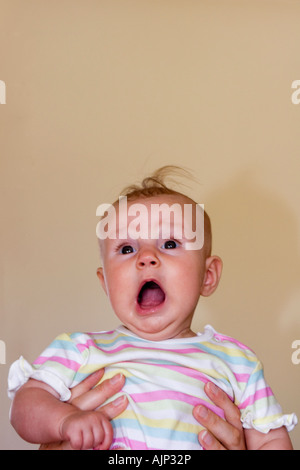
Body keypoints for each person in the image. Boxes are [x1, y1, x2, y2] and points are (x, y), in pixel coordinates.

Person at [8, 166, 297, 450]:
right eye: (126, 249)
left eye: (170, 243)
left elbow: (271, 439)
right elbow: (26, 404)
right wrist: (64, 421)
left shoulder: (237, 362)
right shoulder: (80, 349)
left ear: (207, 277)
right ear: (105, 283)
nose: (146, 257)